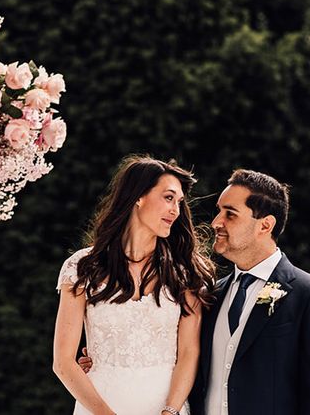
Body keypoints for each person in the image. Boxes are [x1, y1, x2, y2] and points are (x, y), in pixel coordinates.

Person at [53, 155, 216, 415]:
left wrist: (170, 411)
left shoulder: (184, 273)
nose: (175, 210)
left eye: (179, 202)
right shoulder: (81, 267)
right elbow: (63, 363)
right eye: (168, 198)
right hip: (100, 406)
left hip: (166, 407)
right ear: (138, 196)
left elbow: (188, 352)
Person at [188, 169, 310, 415]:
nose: (216, 222)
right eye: (219, 211)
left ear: (265, 225)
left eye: (230, 214)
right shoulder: (210, 295)